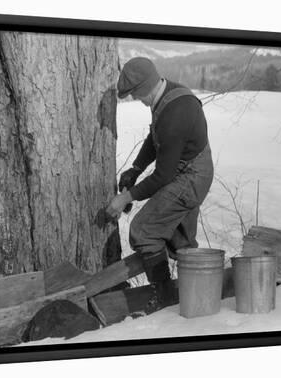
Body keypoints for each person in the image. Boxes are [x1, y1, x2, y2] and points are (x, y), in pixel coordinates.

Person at [106, 57, 214, 313]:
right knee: (180, 242)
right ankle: (197, 301)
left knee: (143, 231)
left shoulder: (176, 113)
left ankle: (165, 302)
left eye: (135, 95)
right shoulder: (167, 96)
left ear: (145, 88)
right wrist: (135, 169)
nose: (137, 100)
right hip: (186, 170)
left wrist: (126, 197)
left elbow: (163, 176)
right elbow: (155, 138)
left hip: (191, 176)